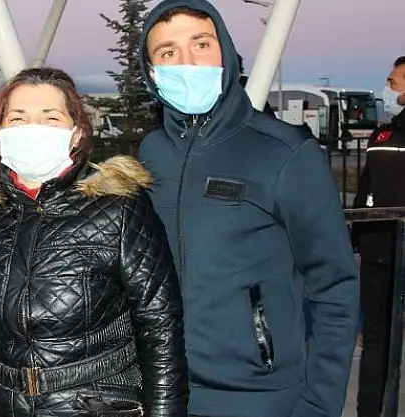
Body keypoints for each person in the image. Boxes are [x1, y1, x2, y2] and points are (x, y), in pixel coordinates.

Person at [0, 67, 188, 417]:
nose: (32, 128)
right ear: (0, 130)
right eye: (17, 118)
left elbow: (159, 325)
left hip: (96, 404)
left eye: (50, 117)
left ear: (76, 132)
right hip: (3, 405)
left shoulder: (119, 207)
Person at [137, 1, 359, 417]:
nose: (188, 62)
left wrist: (319, 403)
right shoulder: (151, 153)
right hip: (162, 390)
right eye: (168, 52)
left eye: (201, 44)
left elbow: (335, 286)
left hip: (259, 396)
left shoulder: (285, 152)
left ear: (225, 52)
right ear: (152, 72)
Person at [352, 55, 405, 417]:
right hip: (380, 248)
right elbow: (366, 188)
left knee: (377, 339)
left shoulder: (384, 135)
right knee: (377, 338)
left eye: (393, 80)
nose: (387, 86)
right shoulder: (383, 133)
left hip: (379, 247)